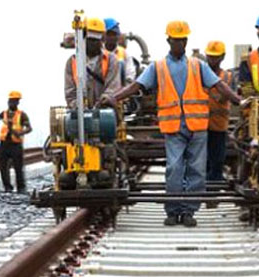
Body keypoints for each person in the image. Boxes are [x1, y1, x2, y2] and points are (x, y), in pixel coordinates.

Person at [102, 21, 243, 227]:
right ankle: (173, 209)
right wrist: (115, 97)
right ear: (169, 40)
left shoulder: (198, 65)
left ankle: (189, 211)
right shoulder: (158, 67)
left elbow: (219, 85)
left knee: (196, 170)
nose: (180, 43)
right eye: (176, 40)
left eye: (183, 40)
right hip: (174, 127)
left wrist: (239, 101)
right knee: (174, 168)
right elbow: (137, 85)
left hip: (197, 126)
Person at [65, 17, 121, 108]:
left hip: (105, 111)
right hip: (80, 112)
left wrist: (102, 102)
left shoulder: (111, 59)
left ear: (102, 39)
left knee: (107, 116)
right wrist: (78, 106)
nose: (93, 43)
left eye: (96, 40)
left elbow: (113, 88)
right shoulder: (72, 62)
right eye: (90, 39)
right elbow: (70, 92)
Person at [0, 91, 32, 193]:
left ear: (17, 103)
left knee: (18, 167)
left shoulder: (22, 115)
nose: (11, 103)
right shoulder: (4, 113)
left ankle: (21, 188)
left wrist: (19, 133)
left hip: (16, 145)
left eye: (14, 101)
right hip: (4, 144)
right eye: (10, 101)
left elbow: (29, 128)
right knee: (3, 167)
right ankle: (7, 187)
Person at [204, 40, 234, 184]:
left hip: (219, 125)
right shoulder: (199, 75)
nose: (212, 60)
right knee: (202, 160)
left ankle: (214, 188)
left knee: (217, 159)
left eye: (216, 57)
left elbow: (230, 96)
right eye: (210, 56)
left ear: (222, 57)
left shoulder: (227, 77)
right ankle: (204, 187)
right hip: (200, 124)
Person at [103, 18, 136, 86]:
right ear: (104, 35)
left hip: (118, 92)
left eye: (115, 34)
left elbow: (130, 74)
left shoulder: (124, 53)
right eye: (109, 34)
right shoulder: (99, 52)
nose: (112, 37)